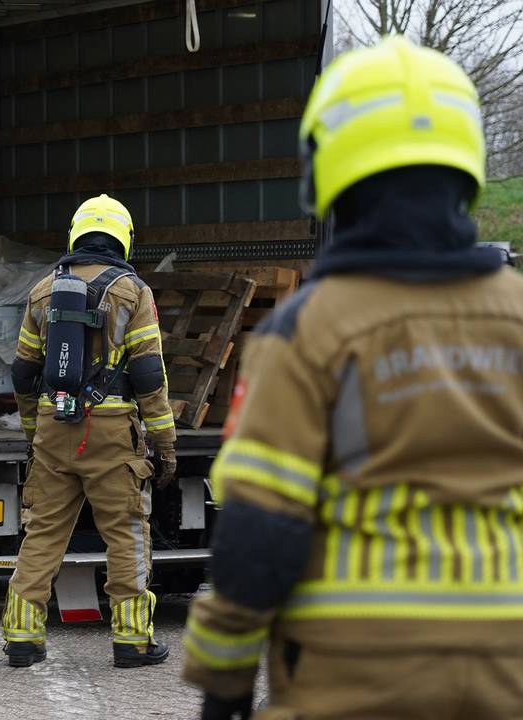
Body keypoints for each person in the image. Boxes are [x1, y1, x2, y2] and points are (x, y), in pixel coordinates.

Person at [183, 36, 523, 720]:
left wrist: (223, 682)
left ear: (326, 170)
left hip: (358, 677)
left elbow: (260, 534)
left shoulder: (309, 333)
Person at [2, 194, 177, 668]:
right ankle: (132, 640)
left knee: (42, 534)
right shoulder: (134, 292)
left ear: (75, 235)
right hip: (112, 429)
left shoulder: (43, 290)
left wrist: (34, 429)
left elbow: (23, 372)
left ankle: (21, 636)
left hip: (55, 429)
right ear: (124, 238)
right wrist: (165, 442)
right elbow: (147, 376)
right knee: (125, 534)